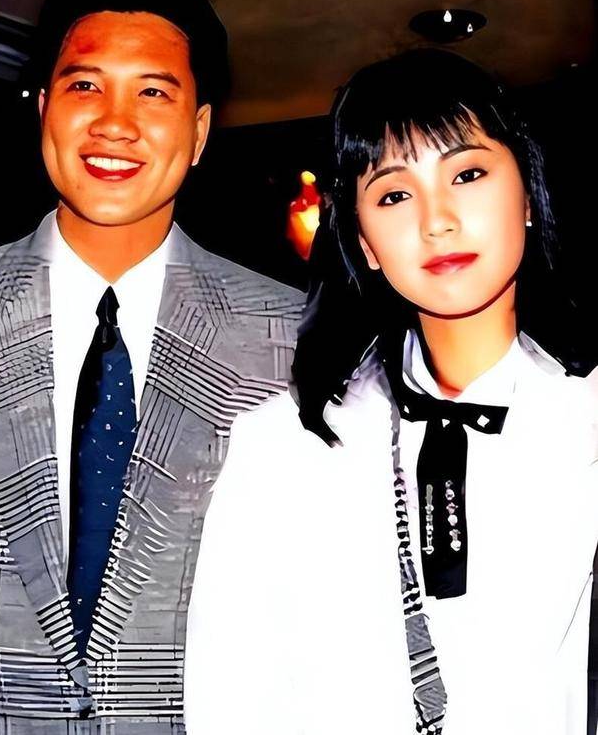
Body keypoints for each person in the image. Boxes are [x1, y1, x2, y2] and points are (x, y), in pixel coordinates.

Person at [185, 49, 598, 735]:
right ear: (366, 243)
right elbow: (232, 699)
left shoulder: (585, 422)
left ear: (527, 195)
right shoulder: (282, 449)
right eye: (394, 195)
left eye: (467, 174)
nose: (437, 220)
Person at [0, 0, 304, 733]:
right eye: (85, 85)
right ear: (44, 109)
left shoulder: (296, 342)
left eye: (153, 93)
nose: (114, 122)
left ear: (198, 133)